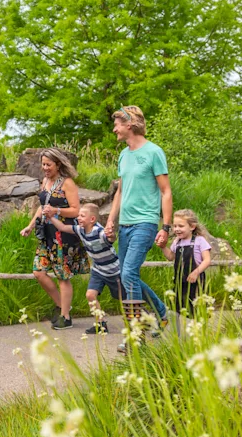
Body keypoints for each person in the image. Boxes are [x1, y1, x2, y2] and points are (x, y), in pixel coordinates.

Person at [103, 105, 171, 345]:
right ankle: (161, 312)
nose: (114, 129)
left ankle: (136, 332)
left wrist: (166, 227)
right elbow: (120, 191)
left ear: (129, 124)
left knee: (129, 272)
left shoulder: (154, 152)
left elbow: (165, 191)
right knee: (125, 275)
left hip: (146, 222)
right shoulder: (124, 155)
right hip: (126, 225)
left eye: (117, 125)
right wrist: (111, 220)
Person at [20, 148, 87, 330]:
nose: (45, 168)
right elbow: (42, 207)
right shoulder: (45, 181)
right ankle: (62, 305)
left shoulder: (67, 183)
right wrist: (30, 226)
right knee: (39, 271)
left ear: (58, 164)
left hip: (63, 235)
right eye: (43, 164)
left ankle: (65, 317)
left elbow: (75, 210)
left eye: (48, 164)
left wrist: (57, 211)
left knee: (62, 276)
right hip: (46, 235)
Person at [48, 202, 122, 336]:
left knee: (123, 297)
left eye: (82, 216)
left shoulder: (99, 232)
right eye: (79, 215)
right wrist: (50, 216)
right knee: (90, 295)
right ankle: (101, 324)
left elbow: (110, 238)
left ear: (92, 219)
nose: (79, 218)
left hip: (113, 271)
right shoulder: (80, 230)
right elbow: (63, 227)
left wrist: (111, 234)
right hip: (98, 270)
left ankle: (140, 315)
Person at [158, 209, 212, 315]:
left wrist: (196, 272)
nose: (177, 229)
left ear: (192, 226)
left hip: (196, 281)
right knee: (177, 308)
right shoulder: (177, 242)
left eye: (181, 226)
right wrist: (163, 247)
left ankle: (198, 329)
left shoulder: (199, 240)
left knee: (197, 309)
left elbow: (207, 260)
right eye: (175, 226)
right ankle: (178, 330)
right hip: (180, 281)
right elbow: (170, 256)